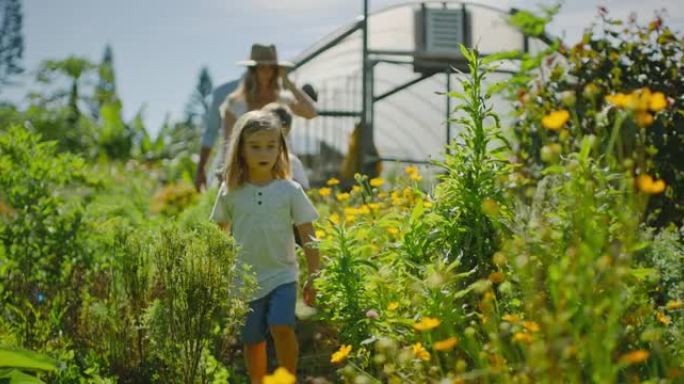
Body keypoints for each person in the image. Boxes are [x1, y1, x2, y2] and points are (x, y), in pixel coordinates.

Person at [209, 110, 320, 383]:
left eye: (271, 146)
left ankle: (287, 378)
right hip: (244, 279)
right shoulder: (230, 191)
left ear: (280, 149)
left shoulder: (290, 190)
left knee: (282, 325)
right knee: (252, 339)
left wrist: (315, 274)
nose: (264, 153)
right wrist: (213, 273)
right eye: (255, 146)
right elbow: (218, 234)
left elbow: (308, 233)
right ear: (241, 150)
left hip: (283, 275)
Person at [195, 43, 317, 191]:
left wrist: (288, 82)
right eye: (262, 68)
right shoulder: (235, 104)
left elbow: (311, 112)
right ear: (252, 71)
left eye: (271, 68)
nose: (267, 73)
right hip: (245, 171)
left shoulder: (283, 100)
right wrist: (229, 173)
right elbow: (229, 143)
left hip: (281, 169)